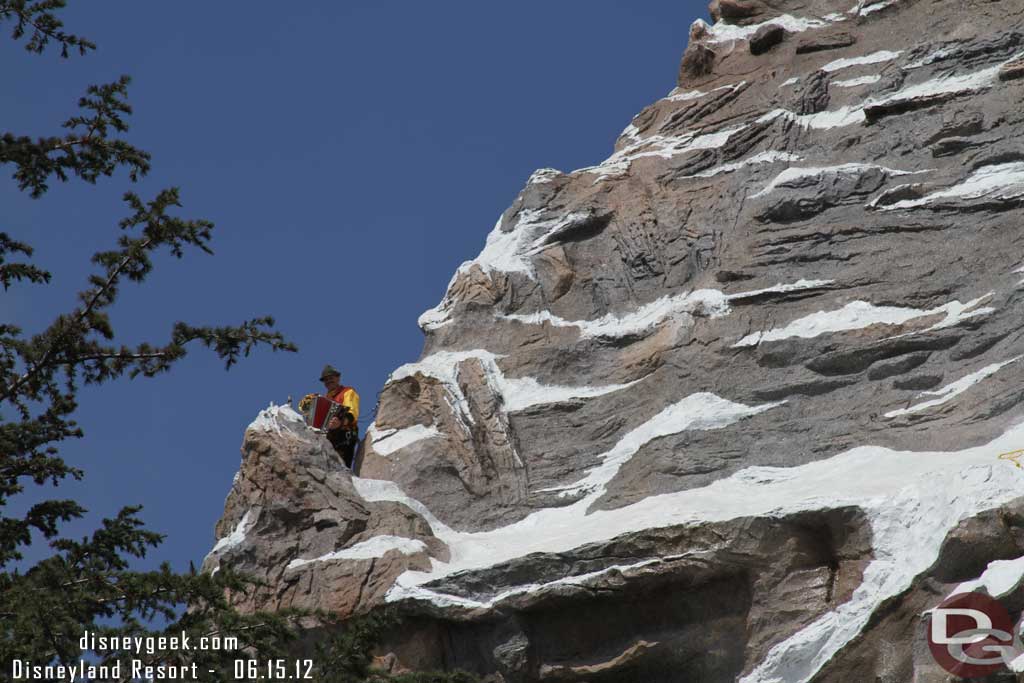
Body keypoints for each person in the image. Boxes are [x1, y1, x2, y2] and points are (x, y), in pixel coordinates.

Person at [319, 364, 360, 469]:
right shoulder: (323, 400)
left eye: (331, 378)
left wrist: (341, 423)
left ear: (338, 378)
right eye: (326, 380)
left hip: (344, 435)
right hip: (329, 438)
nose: (328, 381)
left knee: (342, 468)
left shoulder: (348, 392)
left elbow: (352, 413)